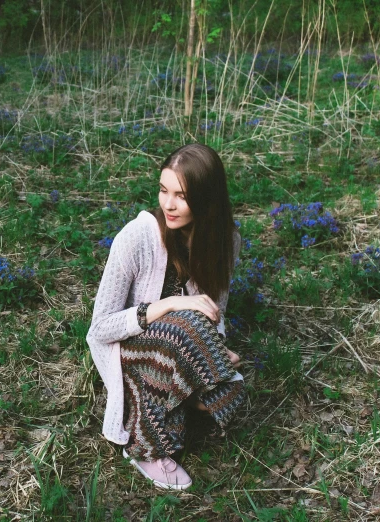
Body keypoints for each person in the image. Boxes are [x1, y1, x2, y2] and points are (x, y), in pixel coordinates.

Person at [86, 143, 245, 490]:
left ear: (206, 199)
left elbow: (214, 311)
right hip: (130, 348)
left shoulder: (225, 241)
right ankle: (147, 448)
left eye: (181, 196)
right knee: (180, 328)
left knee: (225, 388)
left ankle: (189, 390)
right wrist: (166, 306)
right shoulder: (137, 238)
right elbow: (99, 329)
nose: (168, 204)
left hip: (180, 341)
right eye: (163, 190)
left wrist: (217, 345)